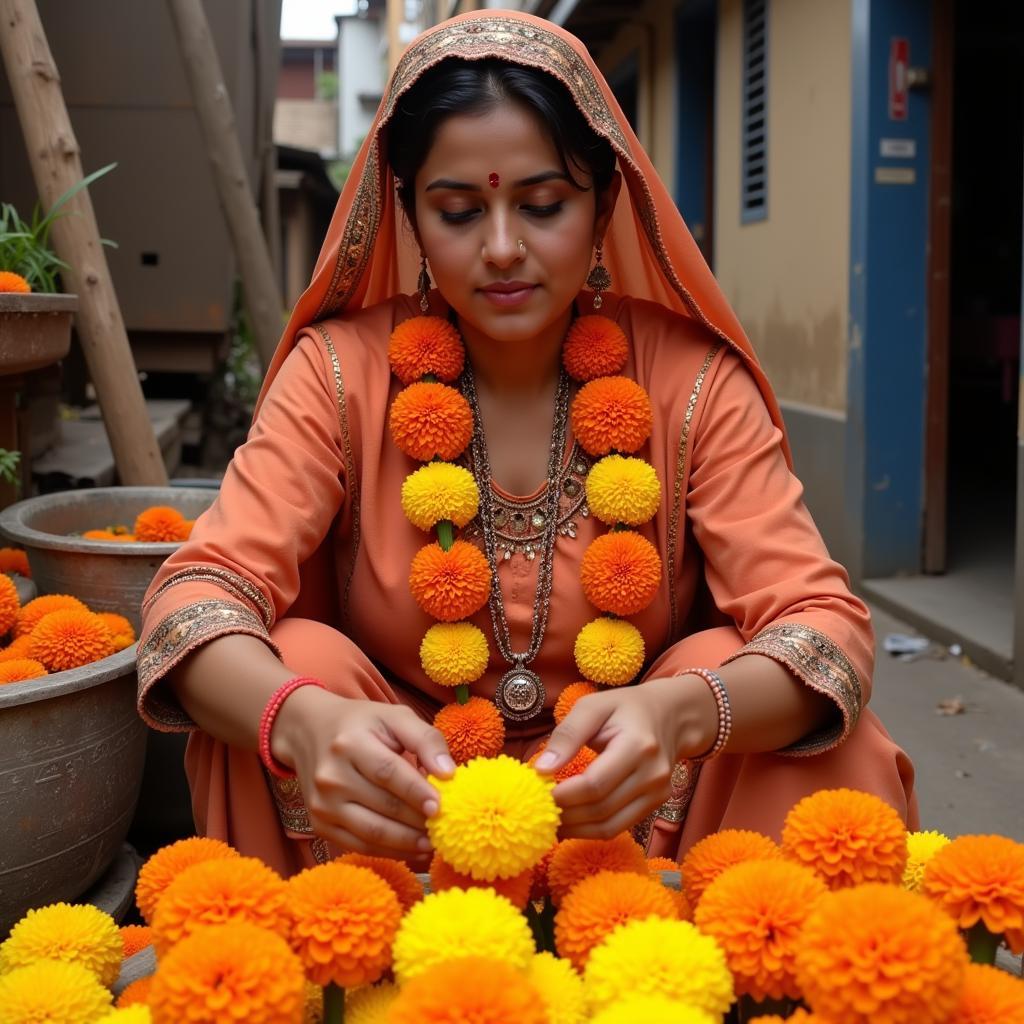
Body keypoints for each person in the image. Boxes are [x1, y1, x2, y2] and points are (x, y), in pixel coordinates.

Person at [137, 10, 916, 877]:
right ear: (409, 220)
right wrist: (302, 719)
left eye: (542, 205)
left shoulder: (689, 380)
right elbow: (194, 599)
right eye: (460, 211)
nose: (503, 248)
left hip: (638, 807)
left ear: (604, 203)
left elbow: (823, 627)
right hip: (398, 812)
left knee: (750, 683)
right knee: (290, 670)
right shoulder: (339, 371)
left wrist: (685, 715)